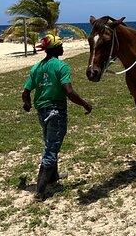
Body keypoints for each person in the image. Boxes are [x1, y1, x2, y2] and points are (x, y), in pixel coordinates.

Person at [21, 34, 92, 201]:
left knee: (50, 143)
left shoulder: (36, 68)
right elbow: (69, 92)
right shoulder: (62, 67)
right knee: (51, 149)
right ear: (54, 49)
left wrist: (27, 104)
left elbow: (25, 92)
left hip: (42, 112)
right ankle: (39, 191)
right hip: (56, 112)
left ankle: (53, 177)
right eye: (60, 45)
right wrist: (85, 104)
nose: (63, 47)